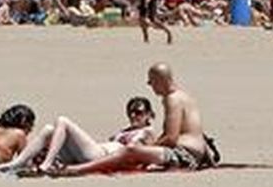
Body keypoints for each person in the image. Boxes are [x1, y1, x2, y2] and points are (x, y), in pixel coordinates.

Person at [53, 63, 215, 175]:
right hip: (190, 153)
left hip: (184, 155)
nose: (150, 86)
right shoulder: (184, 96)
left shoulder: (172, 99)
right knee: (135, 151)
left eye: (151, 82)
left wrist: (148, 148)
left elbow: (171, 138)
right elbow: (195, 131)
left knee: (131, 150)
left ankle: (80, 169)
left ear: (161, 80)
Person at [0, 96, 157, 175]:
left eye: (139, 112)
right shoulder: (125, 130)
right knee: (48, 129)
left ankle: (46, 164)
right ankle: (17, 163)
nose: (134, 115)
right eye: (131, 112)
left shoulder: (148, 132)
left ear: (149, 114)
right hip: (93, 152)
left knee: (63, 121)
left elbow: (143, 152)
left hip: (101, 156)